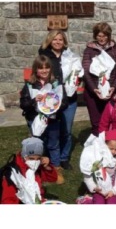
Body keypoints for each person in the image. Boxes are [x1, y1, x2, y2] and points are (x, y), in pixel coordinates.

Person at [19, 55, 68, 184]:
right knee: (36, 144)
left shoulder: (56, 83)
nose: (44, 71)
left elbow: (65, 103)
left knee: (53, 144)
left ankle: (55, 170)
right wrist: (34, 100)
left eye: (47, 68)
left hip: (52, 120)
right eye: (41, 68)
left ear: (50, 69)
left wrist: (55, 106)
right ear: (35, 70)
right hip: (35, 120)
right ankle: (36, 170)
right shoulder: (30, 85)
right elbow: (23, 104)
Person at [39, 30, 78, 170]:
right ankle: (48, 156)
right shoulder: (44, 55)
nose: (57, 42)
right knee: (50, 129)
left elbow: (76, 72)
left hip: (70, 98)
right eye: (55, 39)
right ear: (50, 40)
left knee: (67, 130)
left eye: (60, 39)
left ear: (64, 41)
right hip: (52, 99)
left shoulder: (70, 55)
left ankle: (64, 157)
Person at [82, 22, 116, 136]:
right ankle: (97, 145)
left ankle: (111, 145)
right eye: (99, 36)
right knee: (96, 122)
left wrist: (113, 87)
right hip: (93, 92)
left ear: (109, 35)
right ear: (95, 36)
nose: (102, 39)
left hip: (111, 90)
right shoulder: (89, 50)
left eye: (105, 36)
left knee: (112, 120)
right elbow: (85, 71)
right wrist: (94, 88)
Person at [1, 137, 58, 204]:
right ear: (23, 156)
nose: (35, 161)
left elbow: (53, 178)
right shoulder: (12, 173)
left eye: (38, 158)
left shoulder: (37, 166)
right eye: (31, 158)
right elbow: (8, 201)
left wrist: (47, 167)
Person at [80, 129, 116, 204]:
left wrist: (114, 191)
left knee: (112, 203)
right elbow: (87, 176)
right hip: (99, 190)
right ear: (105, 145)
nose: (113, 152)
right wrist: (94, 187)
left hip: (115, 191)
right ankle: (87, 200)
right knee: (99, 203)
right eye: (111, 148)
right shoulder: (97, 157)